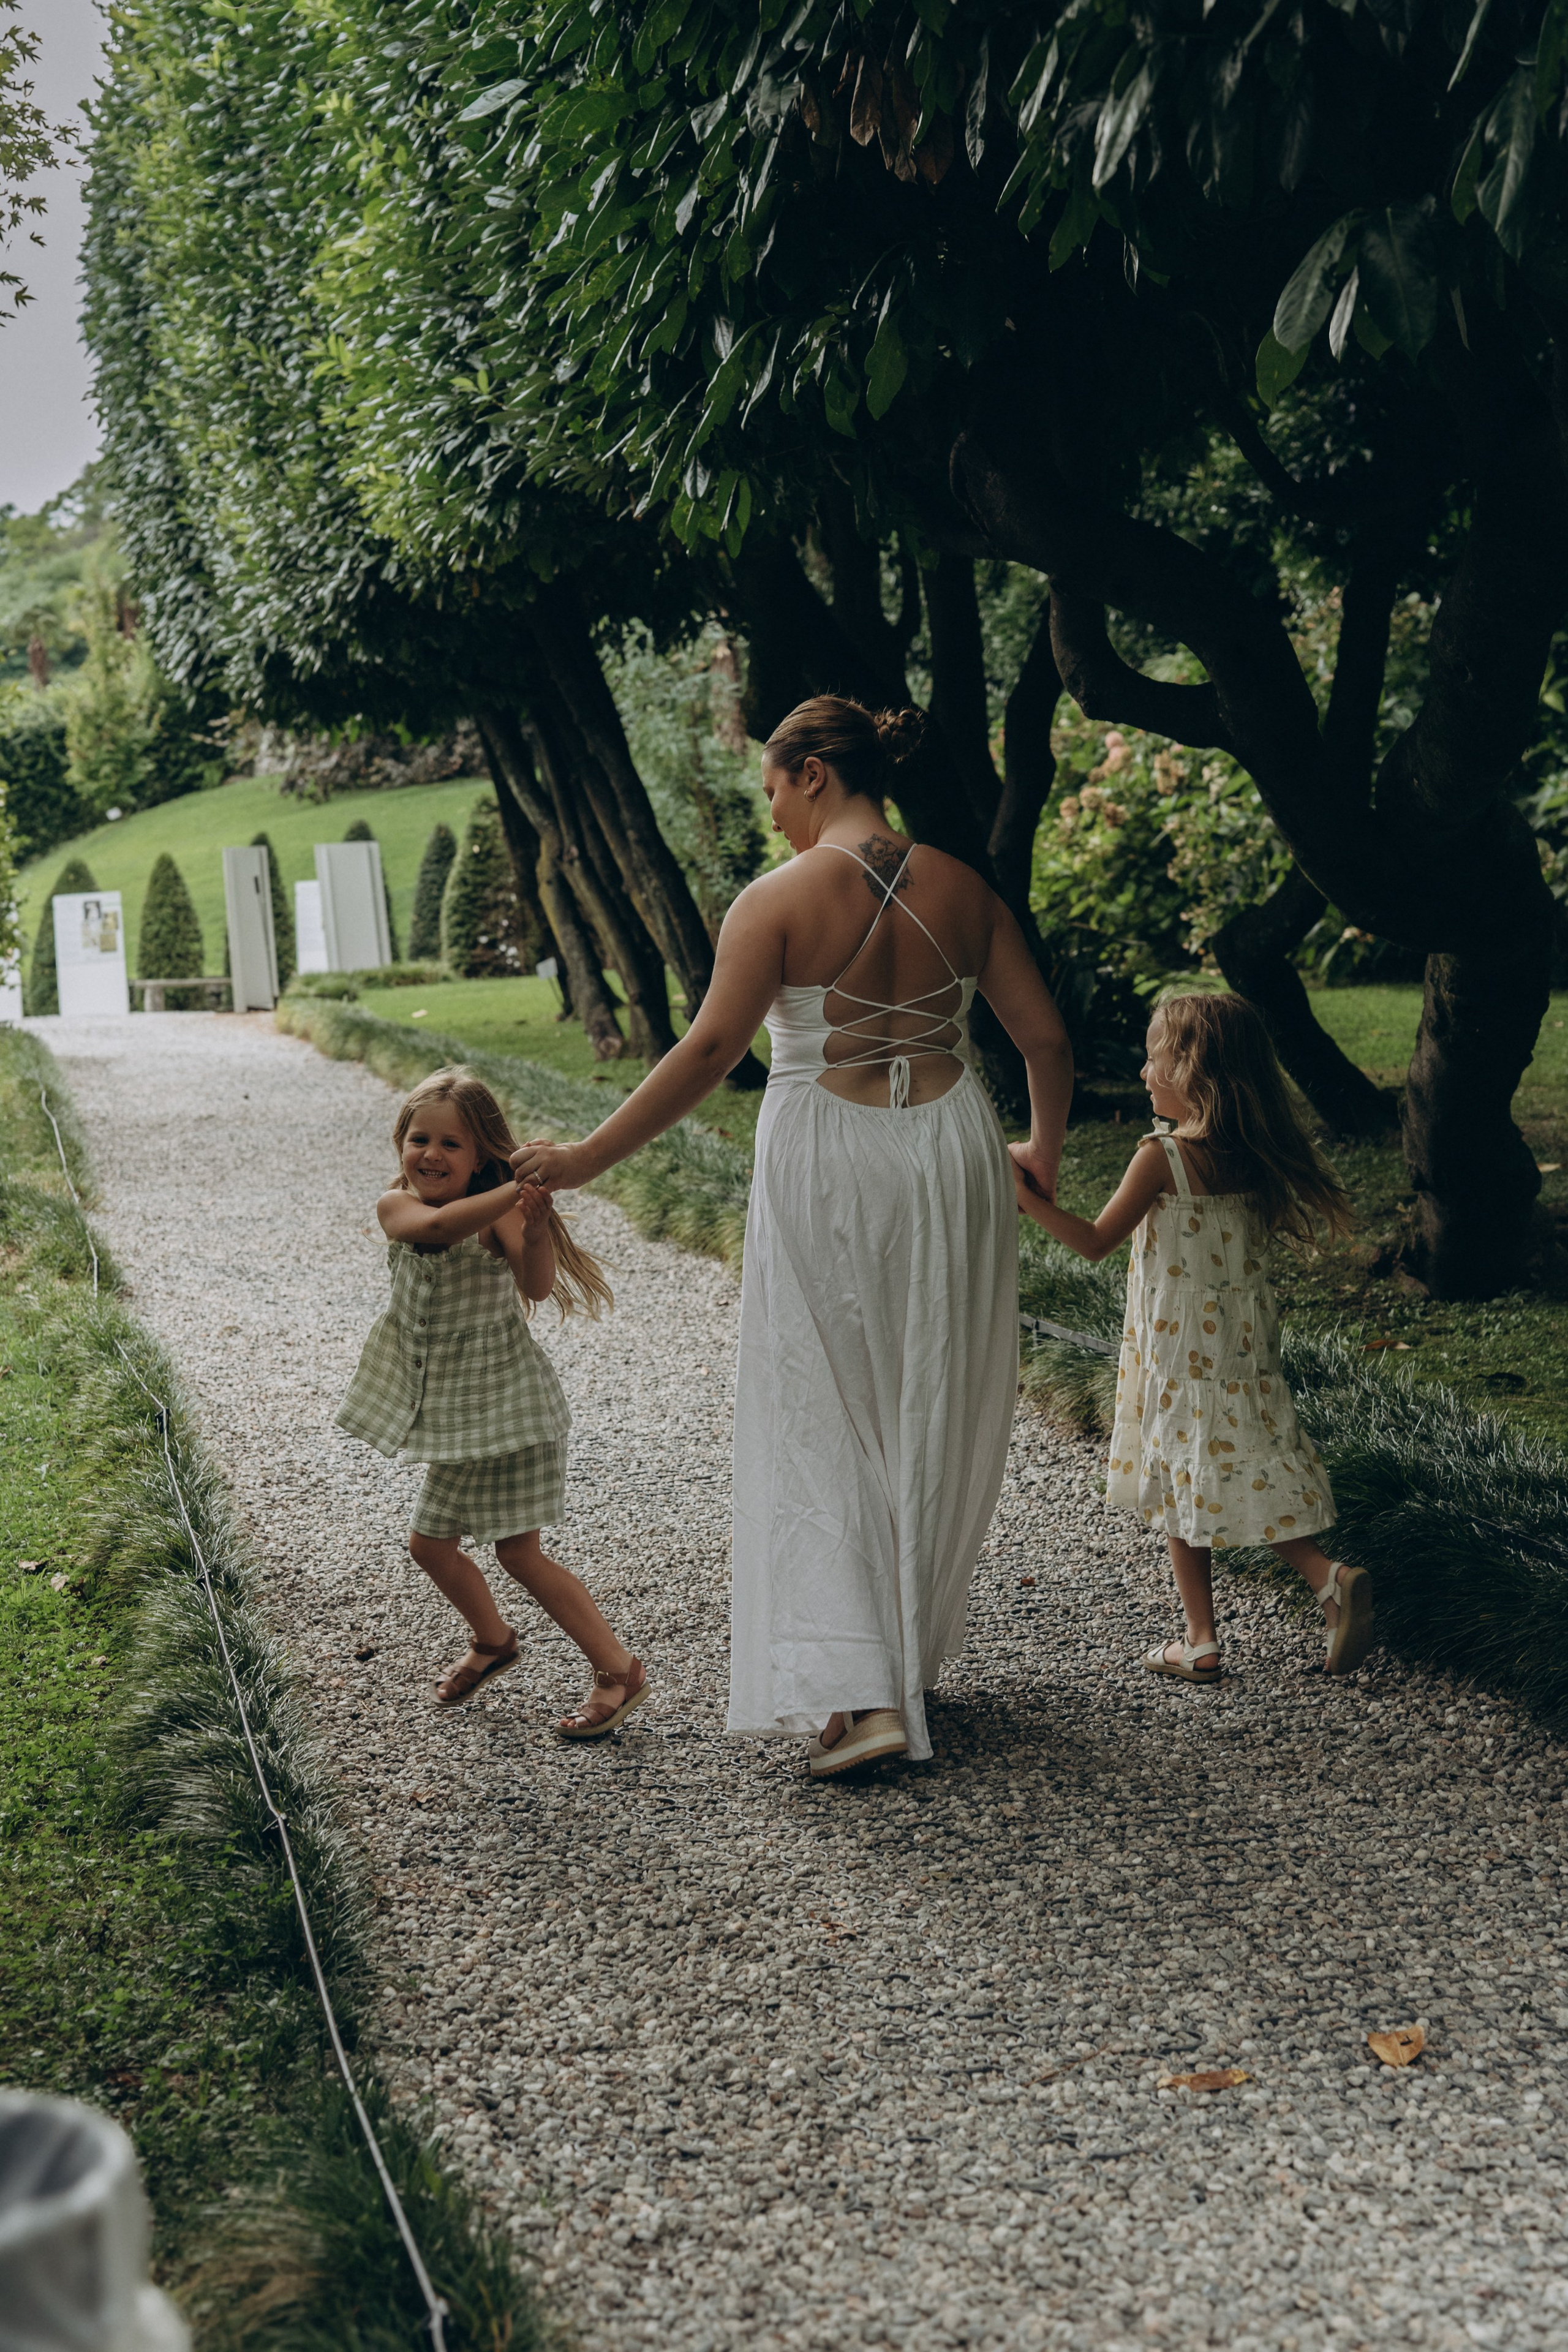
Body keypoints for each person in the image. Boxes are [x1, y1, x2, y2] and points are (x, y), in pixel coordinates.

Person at [511, 696, 1073, 1774]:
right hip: (952, 1148)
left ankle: (866, 1694)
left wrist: (585, 1158)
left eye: (771, 789)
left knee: (826, 1399)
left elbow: (714, 1047)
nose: (770, 814)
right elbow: (1043, 1038)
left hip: (833, 1152)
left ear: (812, 772)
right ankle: (888, 1665)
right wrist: (1040, 1153)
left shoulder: (774, 901)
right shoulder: (964, 885)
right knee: (928, 1397)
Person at [1012, 991, 1373, 1681]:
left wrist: (1024, 1198)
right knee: (1238, 1463)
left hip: (1177, 1352)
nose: (1145, 1072)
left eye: (1156, 1057)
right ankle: (1311, 1589)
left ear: (1194, 1069)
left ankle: (1226, 1626)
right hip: (1242, 1353)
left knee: (1183, 1479)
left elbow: (1093, 1243)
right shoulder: (1252, 1154)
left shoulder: (1163, 1156)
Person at [336, 1067, 646, 1738]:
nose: (432, 1155)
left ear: (479, 1154)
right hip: (458, 1418)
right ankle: (494, 1640)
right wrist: (521, 1182)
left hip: (508, 1412)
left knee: (518, 1552)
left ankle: (616, 1669)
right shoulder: (398, 1208)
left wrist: (534, 1226)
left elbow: (536, 1287)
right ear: (400, 1144)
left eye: (452, 1145)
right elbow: (440, 1228)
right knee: (430, 1546)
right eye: (420, 1139)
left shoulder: (503, 1213)